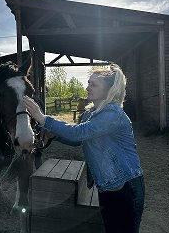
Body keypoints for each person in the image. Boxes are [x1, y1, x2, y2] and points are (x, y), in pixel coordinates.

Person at [23, 63, 145, 233]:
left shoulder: (113, 114)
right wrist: (55, 135)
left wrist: (42, 118)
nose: (87, 88)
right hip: (107, 187)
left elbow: (79, 133)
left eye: (93, 84)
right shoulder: (90, 113)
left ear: (109, 90)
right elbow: (79, 140)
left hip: (126, 187)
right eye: (88, 82)